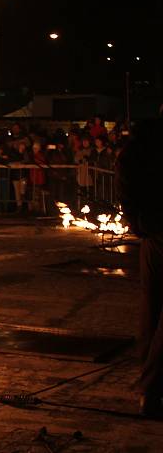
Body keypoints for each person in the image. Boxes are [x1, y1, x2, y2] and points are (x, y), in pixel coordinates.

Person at [116, 116, 163, 418]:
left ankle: (147, 379)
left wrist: (136, 221)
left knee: (151, 305)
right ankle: (151, 385)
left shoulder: (138, 145)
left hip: (151, 230)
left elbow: (125, 182)